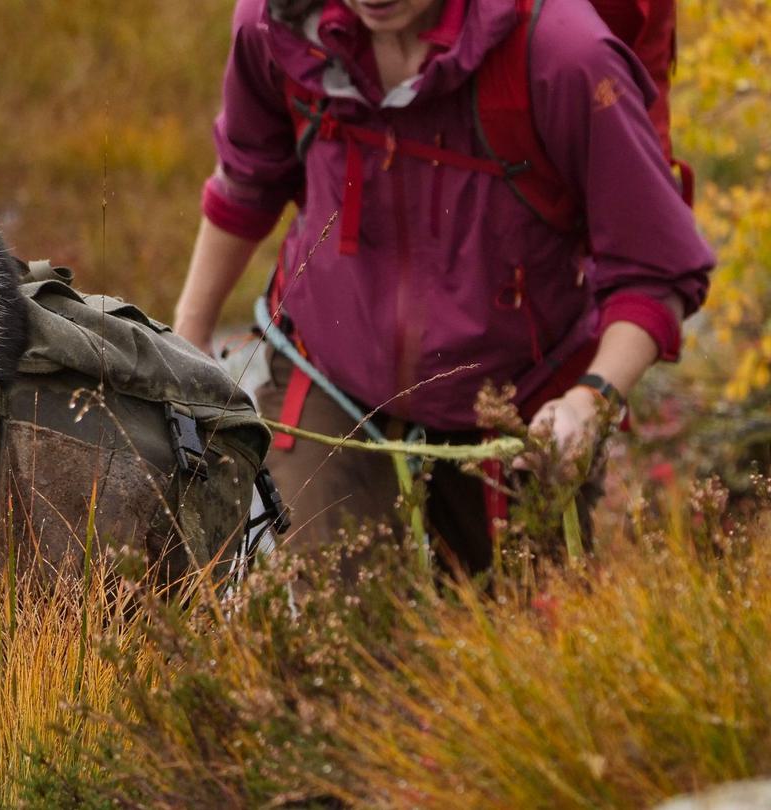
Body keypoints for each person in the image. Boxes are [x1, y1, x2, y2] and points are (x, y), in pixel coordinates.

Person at [173, 0, 714, 573]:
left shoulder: (562, 54)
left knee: (516, 647)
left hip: (517, 406)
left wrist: (592, 399)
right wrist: (185, 344)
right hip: (326, 369)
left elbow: (654, 271)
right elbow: (247, 180)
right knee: (330, 629)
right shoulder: (279, 23)